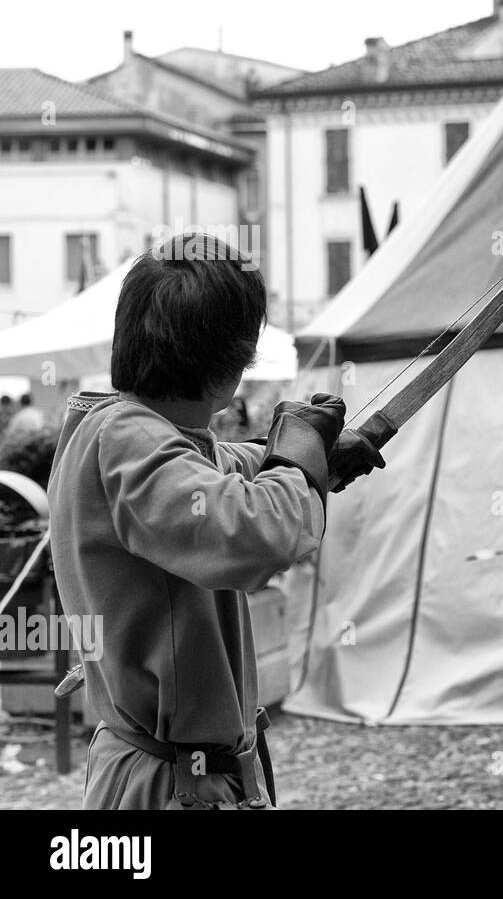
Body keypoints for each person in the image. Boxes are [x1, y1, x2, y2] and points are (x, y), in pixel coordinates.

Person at [47, 234, 383, 809]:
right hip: (168, 786)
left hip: (183, 778)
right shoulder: (128, 442)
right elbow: (260, 533)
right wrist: (297, 457)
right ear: (234, 361)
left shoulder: (132, 429)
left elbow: (222, 469)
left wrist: (307, 460)